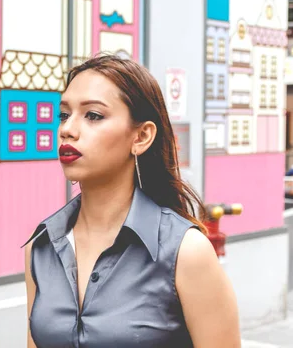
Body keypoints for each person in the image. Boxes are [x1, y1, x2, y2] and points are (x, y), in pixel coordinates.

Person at [23, 54, 240, 347]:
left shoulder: (186, 252)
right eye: (64, 114)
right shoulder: (43, 246)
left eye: (93, 115)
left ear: (141, 136)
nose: (67, 129)